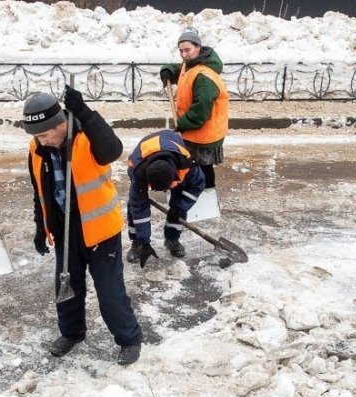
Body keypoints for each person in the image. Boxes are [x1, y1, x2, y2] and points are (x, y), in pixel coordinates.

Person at [24, 87, 143, 366]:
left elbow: (113, 149)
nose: (40, 141)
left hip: (100, 230)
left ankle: (129, 338)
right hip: (65, 230)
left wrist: (87, 113)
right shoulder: (37, 150)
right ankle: (72, 333)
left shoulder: (86, 136)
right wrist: (41, 226)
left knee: (110, 291)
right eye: (35, 136)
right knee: (66, 287)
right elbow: (39, 191)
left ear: (60, 125)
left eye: (44, 134)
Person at [159, 27, 228, 199]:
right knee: (193, 165)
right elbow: (182, 70)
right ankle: (193, 195)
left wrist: (181, 124)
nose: (184, 54)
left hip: (204, 132)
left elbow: (200, 112)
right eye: (181, 50)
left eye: (187, 50)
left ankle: (206, 199)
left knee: (203, 167)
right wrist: (169, 71)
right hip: (195, 130)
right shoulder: (192, 64)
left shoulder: (204, 76)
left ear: (198, 47)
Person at [124, 129, 206, 266]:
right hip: (143, 156)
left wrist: (179, 208)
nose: (165, 191)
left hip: (170, 145)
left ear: (176, 174)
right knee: (135, 204)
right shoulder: (138, 173)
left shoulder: (186, 164)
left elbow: (198, 185)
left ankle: (172, 239)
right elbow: (139, 208)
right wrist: (145, 242)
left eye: (167, 187)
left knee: (179, 202)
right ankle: (138, 242)